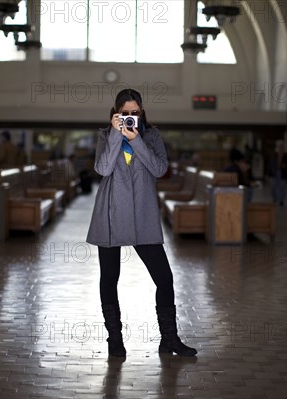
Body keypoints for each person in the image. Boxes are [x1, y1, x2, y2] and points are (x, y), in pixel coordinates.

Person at [86, 88, 197, 358]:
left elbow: (160, 169)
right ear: (116, 114)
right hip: (111, 214)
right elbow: (102, 169)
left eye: (135, 113)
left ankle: (169, 339)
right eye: (125, 113)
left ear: (142, 112)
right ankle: (115, 339)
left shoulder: (152, 136)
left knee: (165, 279)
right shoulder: (105, 135)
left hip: (143, 215)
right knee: (109, 279)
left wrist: (136, 141)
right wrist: (116, 135)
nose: (130, 118)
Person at [266, 140, 287, 206]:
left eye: (282, 146)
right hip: (274, 173)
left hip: (283, 173)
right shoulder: (274, 155)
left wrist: (285, 166)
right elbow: (270, 164)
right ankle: (275, 198)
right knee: (273, 187)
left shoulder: (286, 156)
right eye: (279, 146)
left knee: (282, 187)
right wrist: (268, 174)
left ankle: (281, 200)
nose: (280, 148)